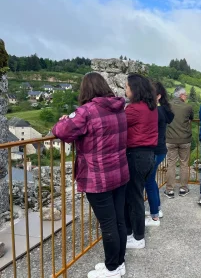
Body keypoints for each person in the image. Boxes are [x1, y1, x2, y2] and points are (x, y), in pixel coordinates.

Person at [52, 72, 128, 278]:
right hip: (119, 172)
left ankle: (112, 268)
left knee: (108, 223)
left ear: (85, 90)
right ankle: (118, 263)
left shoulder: (87, 111)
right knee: (119, 219)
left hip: (97, 175)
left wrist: (63, 120)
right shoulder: (120, 108)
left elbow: (61, 131)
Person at [124, 73, 158, 249]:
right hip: (148, 156)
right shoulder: (151, 107)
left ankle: (137, 237)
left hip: (135, 155)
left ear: (134, 89)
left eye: (127, 87)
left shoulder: (134, 109)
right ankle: (134, 234)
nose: (125, 89)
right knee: (137, 194)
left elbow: (118, 123)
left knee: (134, 198)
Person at [144, 82, 174, 226]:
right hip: (160, 150)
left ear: (158, 96)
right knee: (151, 180)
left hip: (154, 151)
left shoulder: (156, 111)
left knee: (148, 181)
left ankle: (154, 216)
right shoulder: (163, 110)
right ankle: (157, 209)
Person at [164, 86, 194, 199]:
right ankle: (183, 188)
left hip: (170, 139)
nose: (186, 97)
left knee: (171, 164)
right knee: (184, 164)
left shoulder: (167, 106)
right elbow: (191, 117)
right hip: (185, 139)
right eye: (185, 95)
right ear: (181, 95)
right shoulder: (188, 107)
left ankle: (170, 190)